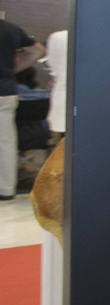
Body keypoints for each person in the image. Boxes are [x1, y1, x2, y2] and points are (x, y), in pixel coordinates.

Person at [1, 15, 44, 201]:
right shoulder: (10, 29)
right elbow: (37, 52)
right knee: (5, 141)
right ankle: (6, 189)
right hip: (5, 89)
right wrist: (12, 71)